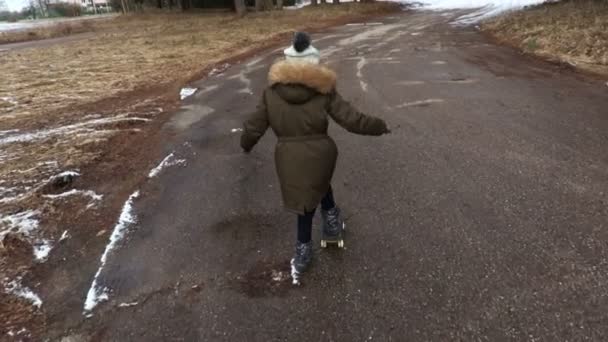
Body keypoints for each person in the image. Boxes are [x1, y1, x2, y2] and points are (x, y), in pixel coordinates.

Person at [240, 32, 390, 280]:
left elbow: (254, 126)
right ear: (314, 63)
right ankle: (329, 224)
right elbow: (351, 119)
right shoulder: (324, 91)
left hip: (287, 155)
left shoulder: (271, 94)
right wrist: (379, 126)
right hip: (322, 153)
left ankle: (303, 251)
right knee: (316, 183)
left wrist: (246, 143)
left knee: (304, 202)